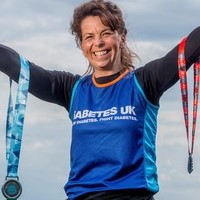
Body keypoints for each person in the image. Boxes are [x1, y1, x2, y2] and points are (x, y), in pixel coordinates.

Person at [0, 0, 200, 199]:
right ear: (82, 45)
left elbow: (192, 45)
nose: (98, 43)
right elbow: (18, 66)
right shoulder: (72, 89)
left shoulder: (145, 82)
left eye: (106, 33)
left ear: (121, 37)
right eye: (89, 37)